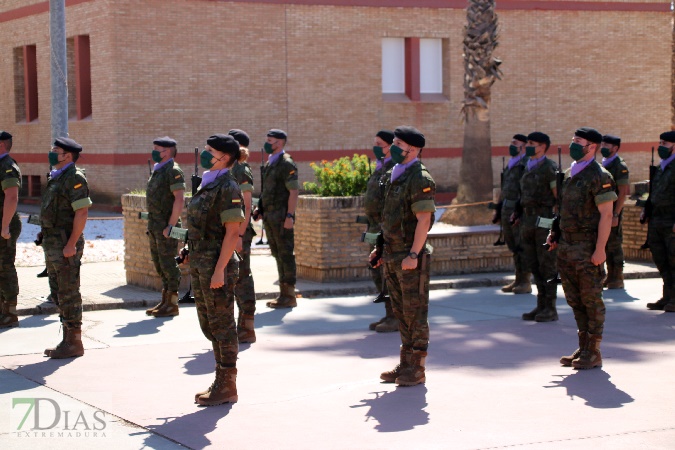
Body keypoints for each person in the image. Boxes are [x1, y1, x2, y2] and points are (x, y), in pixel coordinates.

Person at [373, 125, 435, 387]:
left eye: (399, 144)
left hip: (410, 256)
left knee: (415, 312)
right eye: (394, 143)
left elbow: (424, 220)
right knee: (400, 311)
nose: (394, 147)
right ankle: (406, 362)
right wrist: (380, 248)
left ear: (414, 149)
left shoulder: (419, 178)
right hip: (392, 253)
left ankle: (417, 368)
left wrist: (413, 254)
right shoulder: (394, 173)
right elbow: (388, 217)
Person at [550, 127, 616, 369]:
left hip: (587, 248)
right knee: (574, 299)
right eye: (573, 139)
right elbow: (562, 211)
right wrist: (555, 233)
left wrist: (600, 249)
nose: (573, 144)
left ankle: (594, 350)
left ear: (592, 147)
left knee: (592, 300)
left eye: (579, 141)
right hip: (567, 247)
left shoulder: (600, 176)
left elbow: (607, 215)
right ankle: (584, 346)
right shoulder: (569, 174)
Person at [187, 134, 244, 406]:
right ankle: (220, 379)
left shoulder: (228, 187)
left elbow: (232, 233)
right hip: (201, 263)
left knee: (222, 324)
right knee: (209, 324)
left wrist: (220, 269)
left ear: (225, 157)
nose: (205, 154)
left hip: (216, 267)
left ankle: (227, 384)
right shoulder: (208, 182)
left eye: (211, 151)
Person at [42, 137, 92, 358]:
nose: (52, 154)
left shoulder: (74, 178)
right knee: (58, 292)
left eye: (56, 151)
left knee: (68, 292)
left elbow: (81, 212)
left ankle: (74, 342)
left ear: (68, 156)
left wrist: (71, 243)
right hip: (53, 243)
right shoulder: (56, 177)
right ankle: (67, 339)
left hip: (65, 244)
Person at [513, 132, 558, 322]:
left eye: (532, 143)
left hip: (545, 220)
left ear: (543, 147)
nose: (528, 146)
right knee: (533, 263)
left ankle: (551, 307)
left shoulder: (550, 168)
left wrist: (556, 223)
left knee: (547, 264)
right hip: (528, 220)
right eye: (528, 143)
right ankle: (540, 305)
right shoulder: (526, 166)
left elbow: (558, 197)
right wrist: (517, 212)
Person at [253, 129, 299, 309]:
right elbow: (266, 190)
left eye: (270, 141)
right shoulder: (270, 163)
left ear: (279, 143)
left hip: (281, 217)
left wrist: (289, 216)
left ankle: (289, 294)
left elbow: (293, 192)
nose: (267, 144)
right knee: (277, 254)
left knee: (285, 254)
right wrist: (260, 208)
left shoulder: (286, 163)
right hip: (270, 217)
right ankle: (283, 294)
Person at [144, 136, 186, 318]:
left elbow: (179, 198)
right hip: (155, 226)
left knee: (169, 264)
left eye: (157, 149)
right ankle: (165, 300)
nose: (153, 152)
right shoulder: (158, 170)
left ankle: (173, 303)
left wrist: (170, 225)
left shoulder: (173, 170)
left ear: (167, 152)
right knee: (160, 264)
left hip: (166, 227)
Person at [365, 129, 398, 333]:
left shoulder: (395, 169)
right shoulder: (380, 167)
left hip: (385, 229)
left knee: (388, 274)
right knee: (377, 272)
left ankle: (395, 316)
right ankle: (388, 313)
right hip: (374, 228)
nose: (375, 147)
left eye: (380, 144)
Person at [228, 129, 257, 343]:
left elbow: (247, 205)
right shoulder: (229, 168)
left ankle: (247, 327)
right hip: (230, 231)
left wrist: (239, 234)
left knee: (242, 277)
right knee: (233, 278)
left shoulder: (242, 169)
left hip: (239, 233)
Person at [642, 131, 675, 312]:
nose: (661, 146)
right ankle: (667, 296)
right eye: (660, 142)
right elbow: (654, 192)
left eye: (665, 143)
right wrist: (646, 210)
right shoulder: (662, 166)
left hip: (671, 219)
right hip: (657, 219)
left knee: (673, 259)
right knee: (661, 258)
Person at [497, 134, 531, 295]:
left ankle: (525, 281)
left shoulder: (525, 165)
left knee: (521, 245)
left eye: (515, 144)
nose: (511, 146)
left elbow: (525, 190)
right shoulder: (511, 164)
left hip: (517, 210)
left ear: (523, 147)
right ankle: (518, 279)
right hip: (506, 208)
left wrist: (520, 212)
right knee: (513, 245)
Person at [600, 135, 629, 289]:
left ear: (615, 148)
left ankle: (617, 277)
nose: (603, 146)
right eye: (602, 143)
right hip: (603, 212)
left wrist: (616, 214)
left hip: (613, 212)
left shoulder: (620, 166)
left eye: (607, 144)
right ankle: (610, 277)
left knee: (614, 245)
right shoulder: (603, 165)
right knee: (605, 244)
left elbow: (623, 193)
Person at [0, 131, 21, 328]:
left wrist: (5, 225)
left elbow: (11, 197)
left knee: (5, 267)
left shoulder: (8, 167)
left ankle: (10, 312)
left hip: (5, 225)